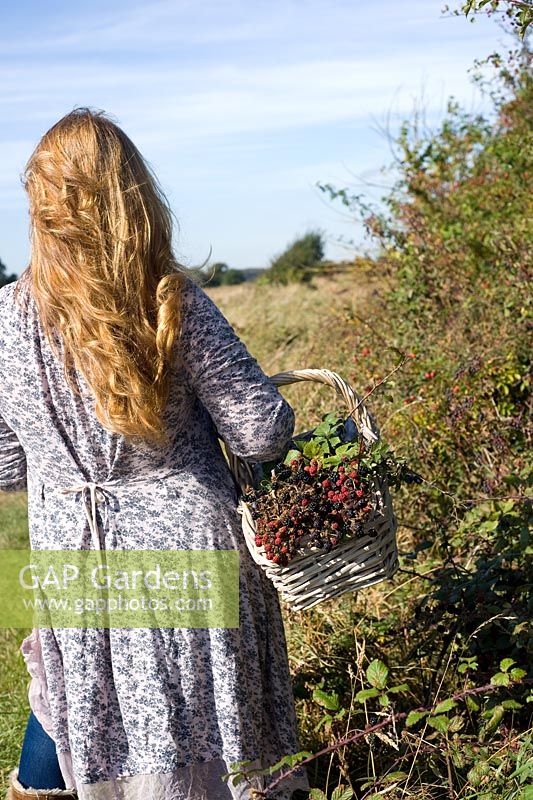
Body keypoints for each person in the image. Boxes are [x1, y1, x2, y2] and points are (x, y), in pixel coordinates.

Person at [0, 107, 310, 800]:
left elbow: (3, 463)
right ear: (132, 198)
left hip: (72, 553)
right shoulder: (172, 301)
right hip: (188, 546)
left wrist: (67, 462)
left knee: (95, 704)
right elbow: (261, 431)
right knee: (205, 723)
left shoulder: (3, 320)